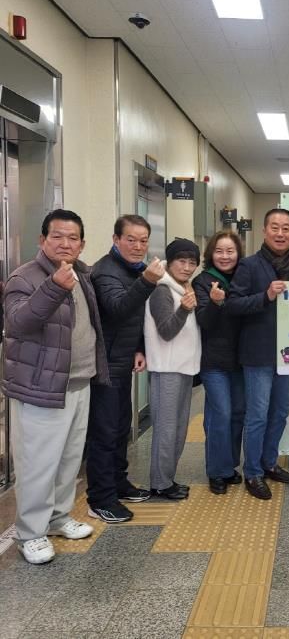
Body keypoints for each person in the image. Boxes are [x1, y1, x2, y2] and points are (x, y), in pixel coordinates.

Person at [2, 209, 110, 564]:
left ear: (82, 244)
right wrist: (52, 287)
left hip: (78, 381)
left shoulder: (82, 274)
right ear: (42, 240)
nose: (65, 243)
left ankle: (57, 517)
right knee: (38, 464)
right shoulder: (25, 276)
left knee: (68, 459)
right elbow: (17, 322)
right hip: (41, 387)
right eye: (57, 236)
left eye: (73, 238)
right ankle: (29, 534)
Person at [226, 208, 289, 500]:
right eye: (275, 228)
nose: (280, 233)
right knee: (257, 414)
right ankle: (253, 472)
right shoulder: (249, 265)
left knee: (280, 411)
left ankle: (269, 462)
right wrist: (265, 296)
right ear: (264, 231)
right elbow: (232, 304)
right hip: (258, 353)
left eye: (286, 228)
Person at [86, 215, 165, 523]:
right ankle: (100, 498)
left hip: (121, 360)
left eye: (143, 240)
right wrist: (147, 281)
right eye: (130, 239)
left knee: (120, 428)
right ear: (116, 239)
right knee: (104, 432)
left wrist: (139, 348)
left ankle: (118, 483)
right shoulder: (105, 270)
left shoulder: (132, 270)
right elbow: (118, 308)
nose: (137, 246)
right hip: (104, 365)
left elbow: (134, 317)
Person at [144, 238, 201, 501]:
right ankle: (160, 484)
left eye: (192, 263)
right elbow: (166, 330)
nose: (187, 267)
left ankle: (167, 479)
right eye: (182, 261)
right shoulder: (162, 289)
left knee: (178, 429)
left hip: (183, 367)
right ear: (170, 262)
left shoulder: (183, 287)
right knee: (166, 430)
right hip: (167, 369)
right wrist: (185, 310)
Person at [193, 231, 245, 495]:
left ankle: (229, 466)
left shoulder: (244, 278)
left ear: (238, 253)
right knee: (220, 414)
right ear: (211, 254)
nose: (225, 256)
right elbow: (204, 321)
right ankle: (216, 471)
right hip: (213, 361)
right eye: (219, 251)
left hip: (242, 359)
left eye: (230, 251)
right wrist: (214, 303)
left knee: (237, 414)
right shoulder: (203, 282)